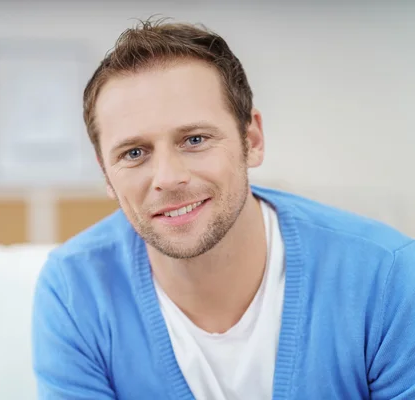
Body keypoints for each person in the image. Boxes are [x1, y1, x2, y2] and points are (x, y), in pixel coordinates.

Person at [31, 18, 415, 400]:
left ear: (253, 139)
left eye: (194, 139)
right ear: (105, 173)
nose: (167, 177)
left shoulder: (384, 276)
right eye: (134, 153)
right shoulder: (75, 290)